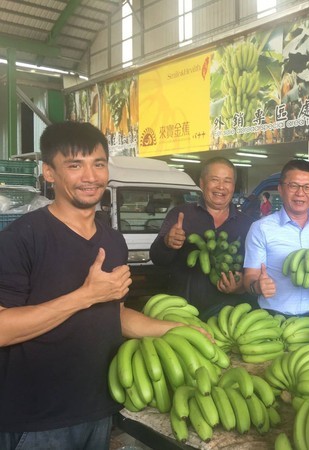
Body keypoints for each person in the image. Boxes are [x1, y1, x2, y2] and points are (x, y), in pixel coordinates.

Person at [0, 121, 208, 450]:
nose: (90, 176)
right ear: (49, 173)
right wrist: (84, 296)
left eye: (98, 163)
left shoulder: (112, 241)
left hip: (97, 410)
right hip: (37, 420)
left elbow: (115, 314)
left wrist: (174, 329)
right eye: (74, 165)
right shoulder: (21, 239)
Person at [150, 157, 254, 319]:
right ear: (202, 183)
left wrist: (241, 286)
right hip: (183, 310)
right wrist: (167, 243)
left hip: (228, 315)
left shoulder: (247, 224)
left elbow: (252, 270)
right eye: (214, 180)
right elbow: (157, 258)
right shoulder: (181, 215)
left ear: (233, 186)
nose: (221, 187)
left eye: (227, 181)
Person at [243, 159, 309, 327]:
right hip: (272, 318)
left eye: (307, 187)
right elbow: (249, 276)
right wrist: (257, 286)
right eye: (293, 185)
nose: (300, 193)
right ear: (280, 189)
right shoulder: (261, 228)